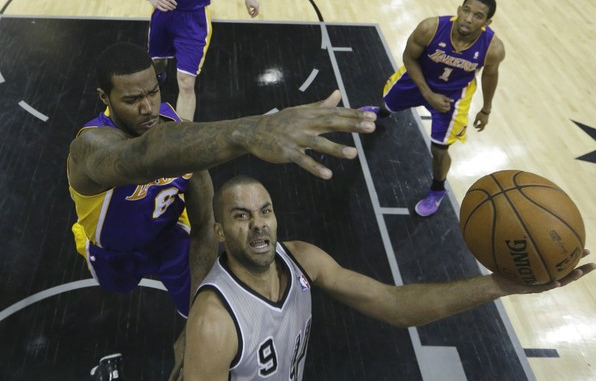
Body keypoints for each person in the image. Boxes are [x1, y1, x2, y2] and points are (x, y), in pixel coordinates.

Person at [67, 41, 376, 379]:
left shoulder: (177, 131)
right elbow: (141, 157)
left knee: (203, 327)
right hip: (113, 249)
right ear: (104, 98)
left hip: (172, 239)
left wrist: (193, 327)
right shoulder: (89, 148)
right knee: (117, 288)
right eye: (131, 100)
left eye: (153, 92)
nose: (147, 108)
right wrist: (249, 130)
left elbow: (202, 227)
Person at [183, 175, 596, 380]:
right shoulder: (214, 322)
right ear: (220, 231)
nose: (258, 225)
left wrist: (500, 284)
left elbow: (395, 306)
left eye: (265, 211)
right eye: (241, 216)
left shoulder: (303, 259)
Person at [360, 0, 505, 217]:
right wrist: (428, 94)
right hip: (418, 79)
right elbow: (409, 58)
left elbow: (490, 76)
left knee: (439, 148)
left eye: (477, 16)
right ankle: (381, 113)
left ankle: (437, 190)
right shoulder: (430, 28)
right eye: (466, 10)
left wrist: (486, 109)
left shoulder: (493, 48)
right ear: (459, 9)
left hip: (454, 96)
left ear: (487, 23)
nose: (468, 18)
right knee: (388, 102)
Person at [131, 0, 260, 121]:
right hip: (163, 15)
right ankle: (158, 75)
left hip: (194, 22)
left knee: (186, 82)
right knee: (157, 62)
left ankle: (182, 134)